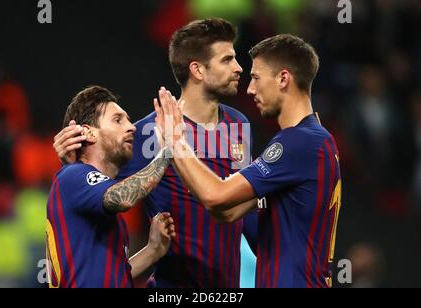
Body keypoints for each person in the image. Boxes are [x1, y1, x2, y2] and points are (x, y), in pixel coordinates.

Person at [53, 18, 258, 288]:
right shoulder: (149, 132)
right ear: (197, 69)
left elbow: (246, 209)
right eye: (227, 60)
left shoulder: (238, 125)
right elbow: (96, 182)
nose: (238, 67)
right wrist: (70, 158)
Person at [156, 34, 342, 288]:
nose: (250, 89)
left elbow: (216, 195)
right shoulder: (313, 140)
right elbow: (227, 211)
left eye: (256, 78)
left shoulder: (299, 142)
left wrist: (175, 140)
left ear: (283, 79)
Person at [46, 85, 175, 288]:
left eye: (128, 119)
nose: (131, 127)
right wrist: (169, 148)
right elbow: (123, 198)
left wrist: (153, 250)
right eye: (118, 120)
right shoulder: (72, 176)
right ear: (89, 133)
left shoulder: (103, 215)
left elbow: (116, 278)